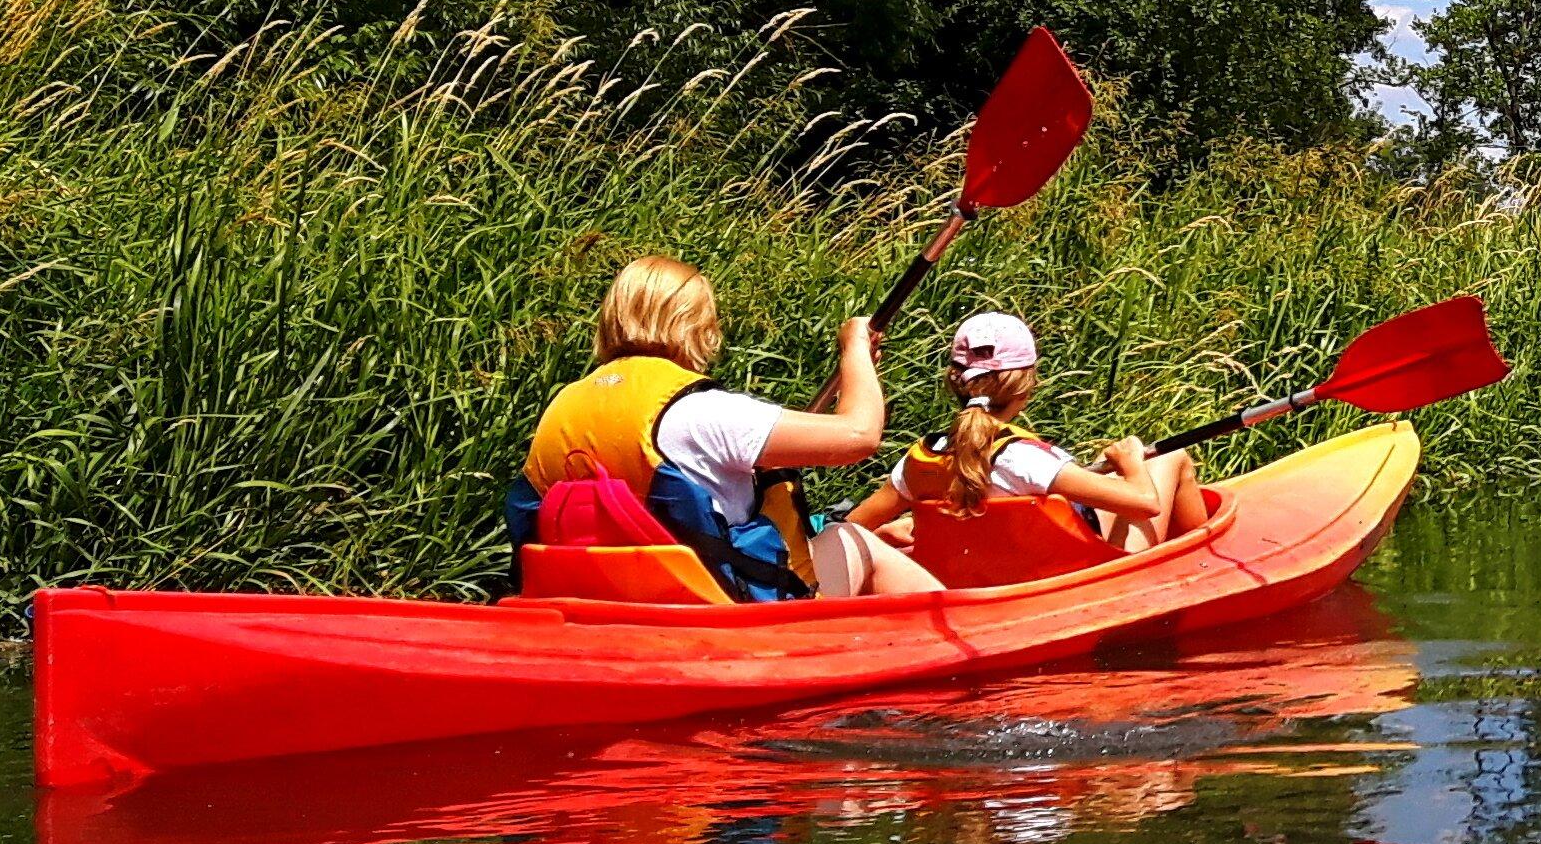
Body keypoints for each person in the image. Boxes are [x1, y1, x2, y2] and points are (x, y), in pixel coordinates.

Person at [506, 256, 938, 603]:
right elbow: (858, 435)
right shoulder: (704, 413)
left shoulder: (563, 407)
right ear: (699, 327)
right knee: (852, 538)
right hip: (721, 610)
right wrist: (856, 350)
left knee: (828, 530)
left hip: (605, 604)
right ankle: (960, 657)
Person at [847, 310, 1213, 556]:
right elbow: (1145, 503)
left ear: (954, 383)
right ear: (1025, 386)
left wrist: (900, 533)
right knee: (1170, 459)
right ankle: (1206, 564)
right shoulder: (1026, 459)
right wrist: (1130, 461)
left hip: (992, 578)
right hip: (1078, 579)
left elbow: (854, 526)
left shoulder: (920, 459)